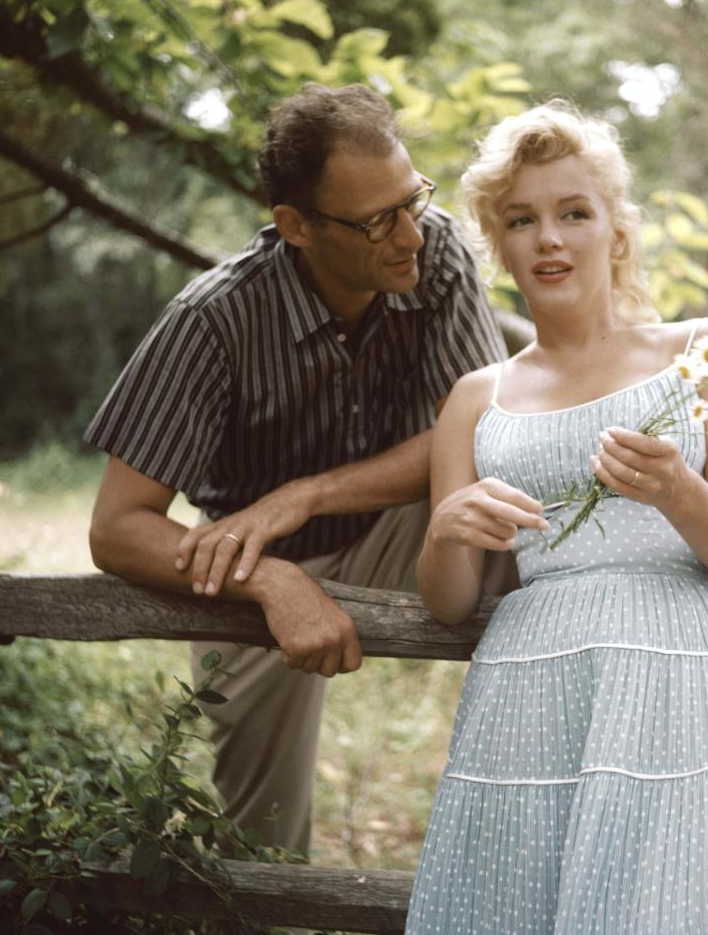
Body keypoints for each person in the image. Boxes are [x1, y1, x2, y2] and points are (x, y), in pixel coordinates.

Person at [405, 101, 708, 933]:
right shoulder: (473, 401)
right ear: (499, 243)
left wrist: (679, 493)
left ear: (615, 230)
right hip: (535, 690)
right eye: (521, 220)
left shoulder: (697, 351)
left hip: (687, 676)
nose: (549, 238)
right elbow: (449, 601)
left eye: (574, 213)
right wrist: (448, 528)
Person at [85, 83, 507, 863]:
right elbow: (116, 528)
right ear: (296, 227)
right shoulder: (213, 318)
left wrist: (305, 493)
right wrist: (273, 582)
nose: (410, 234)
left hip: (404, 530)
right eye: (378, 219)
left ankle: (559, 823)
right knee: (261, 846)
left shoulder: (434, 249)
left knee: (525, 508)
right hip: (251, 569)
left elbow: (486, 427)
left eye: (413, 199)